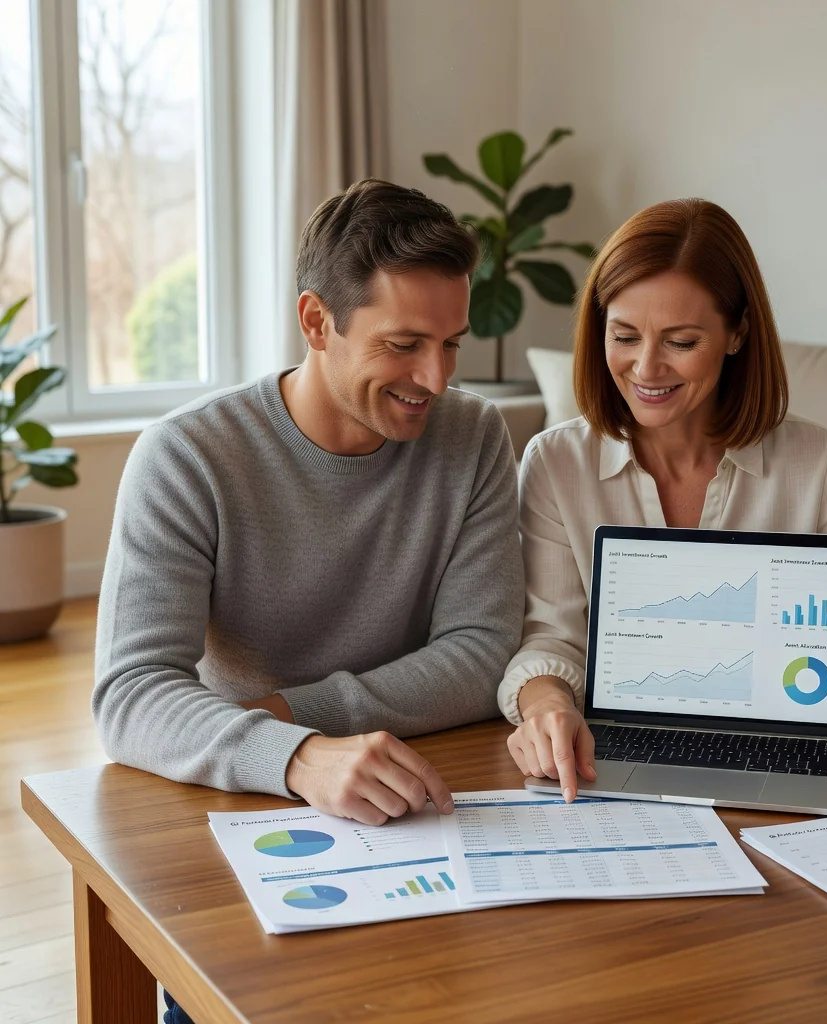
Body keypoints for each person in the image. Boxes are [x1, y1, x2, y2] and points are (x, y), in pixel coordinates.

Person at [94, 178, 524, 826]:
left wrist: (297, 714)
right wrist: (296, 756)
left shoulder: (474, 435)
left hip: (425, 773)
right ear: (316, 322)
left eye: (451, 343)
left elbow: (483, 652)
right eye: (404, 345)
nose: (437, 378)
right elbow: (132, 695)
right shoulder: (185, 456)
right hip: (238, 782)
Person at [499, 198, 827, 803]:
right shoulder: (557, 463)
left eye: (681, 342)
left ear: (738, 332)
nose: (646, 367)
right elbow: (550, 641)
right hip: (603, 769)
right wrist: (546, 708)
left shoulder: (816, 463)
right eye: (624, 335)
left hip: (794, 754)